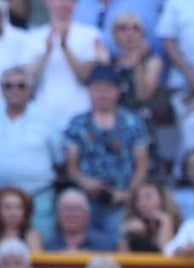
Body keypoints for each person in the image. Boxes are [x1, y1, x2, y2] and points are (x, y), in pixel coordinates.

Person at [63, 63, 150, 241]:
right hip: (86, 199)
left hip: (122, 200)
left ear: (117, 92)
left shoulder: (133, 123)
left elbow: (142, 166)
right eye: (97, 88)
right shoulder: (78, 124)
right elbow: (71, 167)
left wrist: (127, 193)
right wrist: (86, 182)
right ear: (89, 92)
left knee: (117, 242)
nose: (102, 94)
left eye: (108, 88)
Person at [25, 0, 108, 136]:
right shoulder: (33, 36)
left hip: (81, 113)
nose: (63, 4)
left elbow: (85, 76)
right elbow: (26, 79)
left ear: (75, 5)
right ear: (47, 2)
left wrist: (65, 47)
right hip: (43, 113)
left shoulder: (91, 34)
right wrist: (46, 53)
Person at [0, 66, 59, 239]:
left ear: (30, 90)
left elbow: (59, 159)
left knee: (41, 246)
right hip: (2, 200)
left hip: (38, 197)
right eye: (8, 86)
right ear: (2, 90)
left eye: (21, 85)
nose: (14, 90)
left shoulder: (46, 118)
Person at [44, 187, 118, 251]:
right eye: (66, 209)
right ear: (58, 215)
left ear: (87, 215)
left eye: (77, 209)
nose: (71, 214)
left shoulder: (104, 244)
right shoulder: (49, 245)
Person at [0, 186, 45, 252]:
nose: (13, 213)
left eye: (19, 207)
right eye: (7, 207)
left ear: (26, 211)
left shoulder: (32, 236)